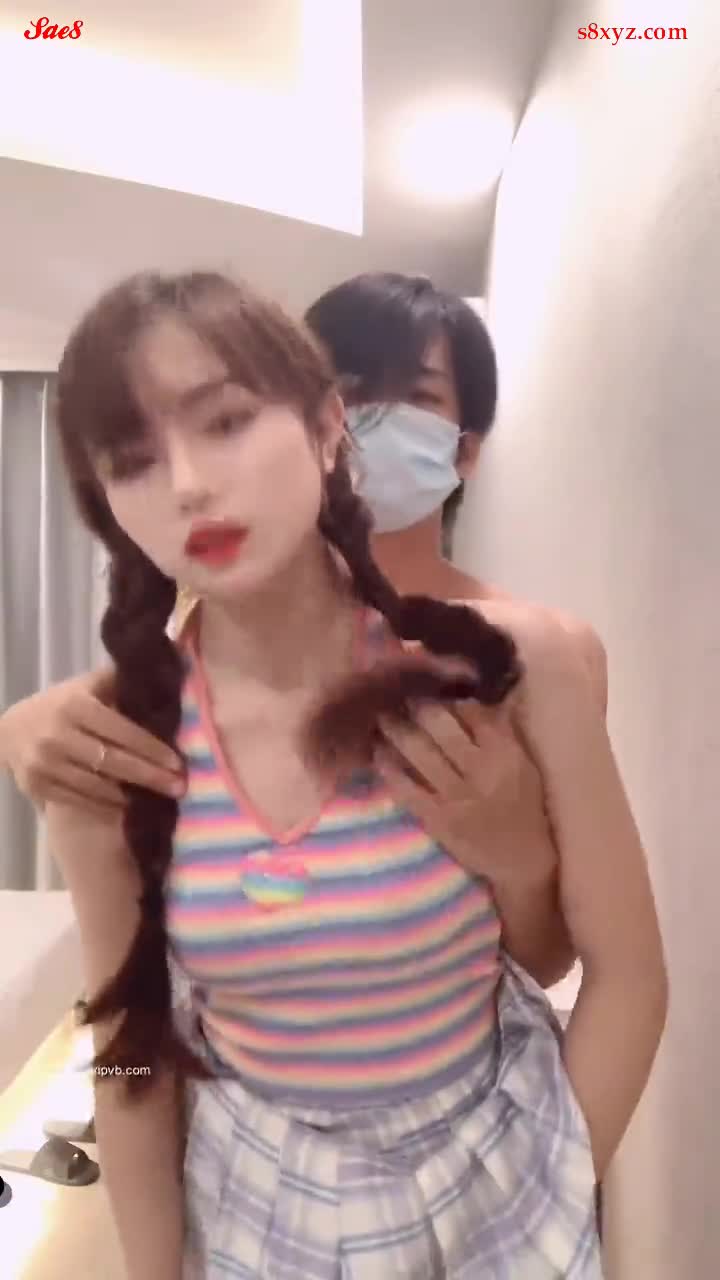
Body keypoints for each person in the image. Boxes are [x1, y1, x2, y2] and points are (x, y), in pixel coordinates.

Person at [42, 269, 665, 1279]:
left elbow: (628, 975)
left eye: (226, 421)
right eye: (133, 459)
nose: (189, 483)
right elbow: (127, 1050)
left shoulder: (514, 665)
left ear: (329, 427)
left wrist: (542, 1204)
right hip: (255, 1203)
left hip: (496, 1176)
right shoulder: (117, 741)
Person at [0, 274, 604, 984]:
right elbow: (134, 998)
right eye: (352, 387)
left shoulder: (533, 655)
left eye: (414, 397)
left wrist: (520, 859)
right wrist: (24, 726)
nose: (367, 424)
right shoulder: (202, 653)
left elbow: (544, 967)